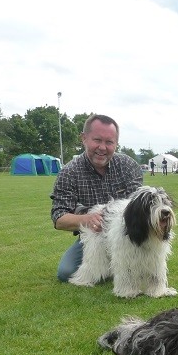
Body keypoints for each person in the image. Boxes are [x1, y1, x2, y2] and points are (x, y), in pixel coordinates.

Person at [50, 114, 143, 282]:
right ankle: (112, 267)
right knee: (66, 272)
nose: (102, 147)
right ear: (84, 139)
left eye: (109, 142)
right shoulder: (69, 172)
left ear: (116, 144)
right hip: (93, 235)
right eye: (97, 140)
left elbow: (138, 210)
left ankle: (125, 266)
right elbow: (59, 219)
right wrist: (88, 219)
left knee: (142, 266)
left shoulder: (129, 166)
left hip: (126, 235)